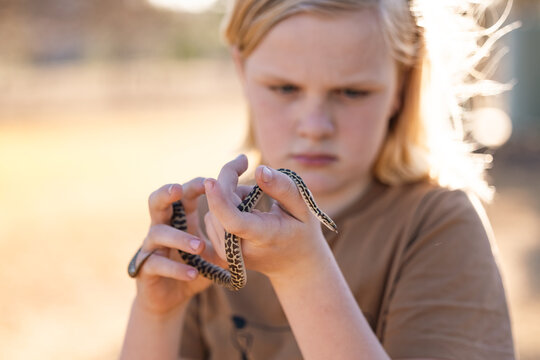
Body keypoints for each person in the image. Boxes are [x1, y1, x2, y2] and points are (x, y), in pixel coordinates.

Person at [120, 0, 516, 359]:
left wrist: (301, 271)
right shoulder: (207, 227)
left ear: (402, 84)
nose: (315, 126)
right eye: (285, 88)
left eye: (351, 92)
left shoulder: (437, 225)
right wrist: (158, 314)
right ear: (242, 70)